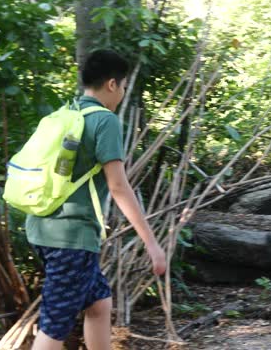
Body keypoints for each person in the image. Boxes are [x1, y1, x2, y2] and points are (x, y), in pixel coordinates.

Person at [26, 49, 167, 350]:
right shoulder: (105, 121)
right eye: (125, 85)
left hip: (41, 229)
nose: (123, 92)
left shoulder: (66, 114)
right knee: (54, 325)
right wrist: (152, 245)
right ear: (113, 84)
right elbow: (118, 187)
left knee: (99, 304)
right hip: (71, 238)